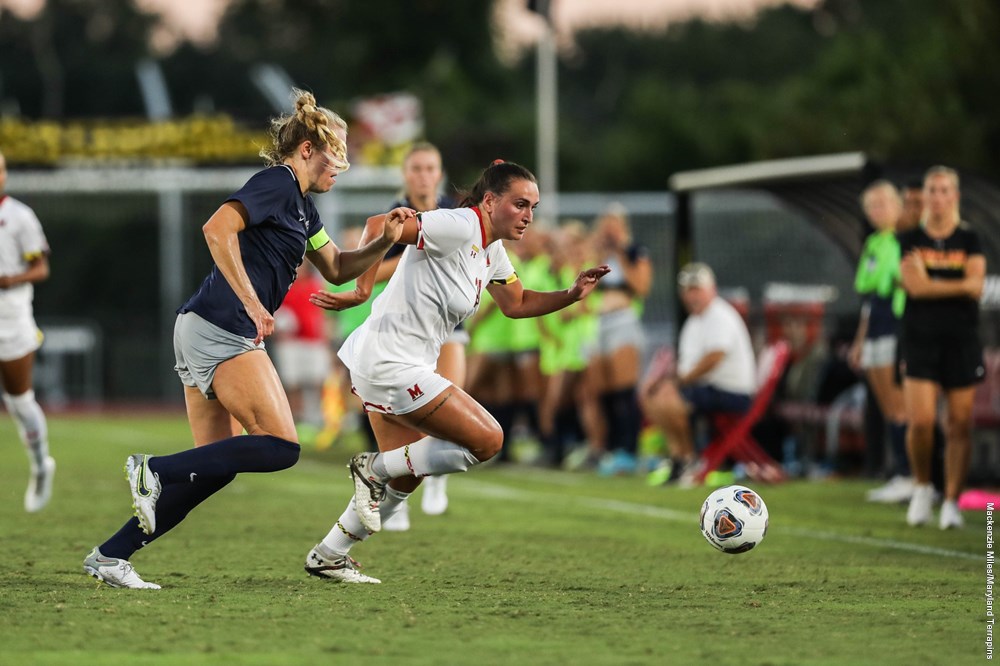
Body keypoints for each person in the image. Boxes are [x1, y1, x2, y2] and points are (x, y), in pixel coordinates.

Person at [82, 90, 405, 589]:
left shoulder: (302, 208)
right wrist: (254, 303)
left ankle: (111, 554)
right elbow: (217, 229)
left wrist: (384, 241)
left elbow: (338, 267)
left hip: (202, 326)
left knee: (212, 470)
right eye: (335, 152)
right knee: (280, 446)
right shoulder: (277, 183)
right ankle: (154, 468)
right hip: (223, 327)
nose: (342, 164)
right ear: (305, 150)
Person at [304, 160, 610, 583]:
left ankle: (329, 554)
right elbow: (381, 223)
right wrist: (360, 287)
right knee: (488, 439)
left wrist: (571, 294)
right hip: (389, 360)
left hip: (395, 361)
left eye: (533, 207)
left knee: (406, 478)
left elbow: (516, 304)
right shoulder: (460, 224)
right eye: (520, 204)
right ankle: (372, 468)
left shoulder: (492, 250)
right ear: (489, 201)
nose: (529, 216)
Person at [327, 141, 460, 530]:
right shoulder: (395, 215)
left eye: (430, 168)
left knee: (447, 407)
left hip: (450, 326)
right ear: (406, 174)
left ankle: (434, 482)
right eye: (416, 168)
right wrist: (413, 254)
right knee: (399, 413)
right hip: (406, 325)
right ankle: (395, 493)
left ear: (440, 173)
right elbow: (371, 263)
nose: (423, 175)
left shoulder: (455, 212)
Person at [898, 166, 986, 529]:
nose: (936, 197)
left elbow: (977, 286)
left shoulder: (970, 239)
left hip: (961, 340)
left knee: (960, 424)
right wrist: (957, 283)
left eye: (943, 190)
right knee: (921, 422)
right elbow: (914, 288)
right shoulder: (909, 240)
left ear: (955, 196)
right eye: (931, 190)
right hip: (920, 339)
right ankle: (922, 487)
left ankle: (951, 499)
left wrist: (932, 279)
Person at [639, 262, 756, 485]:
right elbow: (688, 364)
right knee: (654, 397)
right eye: (687, 290)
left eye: (696, 289)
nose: (692, 295)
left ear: (711, 289)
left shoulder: (719, 316)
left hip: (732, 391)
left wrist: (678, 381)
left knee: (669, 398)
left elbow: (714, 358)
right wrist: (665, 381)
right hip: (709, 387)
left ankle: (688, 458)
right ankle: (679, 456)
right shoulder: (695, 322)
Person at [846, 181, 910, 502]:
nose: (877, 211)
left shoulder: (905, 240)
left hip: (894, 327)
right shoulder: (874, 242)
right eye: (872, 206)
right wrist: (858, 341)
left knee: (901, 407)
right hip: (874, 329)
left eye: (883, 203)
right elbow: (869, 299)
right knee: (888, 408)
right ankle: (900, 472)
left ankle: (912, 475)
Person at [0, 148, 55, 513]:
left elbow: (41, 269)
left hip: (11, 318)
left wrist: (10, 279)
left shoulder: (19, 216)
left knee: (18, 400)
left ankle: (40, 465)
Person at [587, 204, 652, 472]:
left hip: (623, 321)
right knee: (604, 390)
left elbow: (641, 287)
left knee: (624, 388)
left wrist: (621, 252)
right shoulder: (598, 252)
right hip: (599, 322)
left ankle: (629, 448)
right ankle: (612, 447)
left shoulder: (635, 252)